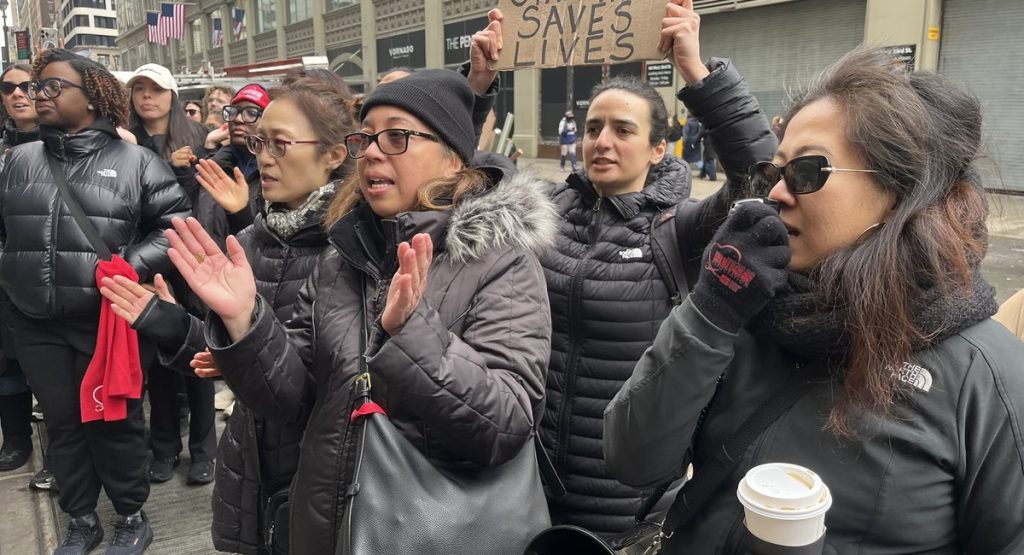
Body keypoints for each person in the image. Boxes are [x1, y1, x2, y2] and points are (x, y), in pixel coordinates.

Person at [604, 2, 1024, 552]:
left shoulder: (986, 375)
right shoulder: (745, 312)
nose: (777, 192)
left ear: (900, 192)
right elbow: (631, 459)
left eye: (808, 170)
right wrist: (710, 311)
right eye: (774, 171)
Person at [163, 68, 556, 554]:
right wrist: (246, 319)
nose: (371, 151)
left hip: (431, 534)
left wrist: (410, 334)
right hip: (329, 527)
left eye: (396, 136)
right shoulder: (340, 259)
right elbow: (293, 402)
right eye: (365, 137)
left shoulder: (501, 262)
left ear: (454, 158)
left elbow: (506, 425)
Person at [99, 74, 355, 554]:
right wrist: (168, 322)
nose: (265, 157)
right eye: (260, 142)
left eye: (281, 143)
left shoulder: (352, 248)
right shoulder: (258, 235)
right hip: (253, 456)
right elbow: (239, 361)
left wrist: (241, 329)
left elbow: (295, 393)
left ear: (335, 154)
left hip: (323, 467)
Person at [537, 69, 771, 536]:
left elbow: (760, 177)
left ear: (658, 149)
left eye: (623, 130)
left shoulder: (680, 228)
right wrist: (477, 86)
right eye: (593, 128)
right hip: (532, 483)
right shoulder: (546, 211)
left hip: (627, 497)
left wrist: (701, 77)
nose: (602, 142)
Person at [0, 48, 191, 554]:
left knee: (114, 422)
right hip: (35, 323)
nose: (37, 95)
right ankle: (82, 520)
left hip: (106, 321)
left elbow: (177, 227)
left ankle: (131, 516)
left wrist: (128, 266)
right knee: (62, 425)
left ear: (92, 97)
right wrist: (10, 272)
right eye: (35, 87)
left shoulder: (136, 162)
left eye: (52, 86)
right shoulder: (18, 161)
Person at [126, 63, 218, 486]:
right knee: (160, 362)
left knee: (200, 358)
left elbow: (214, 200)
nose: (147, 96)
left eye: (156, 89)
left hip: (196, 259)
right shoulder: (123, 142)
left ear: (172, 94)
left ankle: (204, 450)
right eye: (139, 89)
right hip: (149, 261)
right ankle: (163, 448)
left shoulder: (200, 138)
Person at [0, 63, 37, 473]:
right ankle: (15, 438)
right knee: (6, 363)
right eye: (8, 87)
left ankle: (64, 458)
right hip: (5, 276)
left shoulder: (66, 141)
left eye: (27, 86)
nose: (18, 94)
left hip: (53, 271)